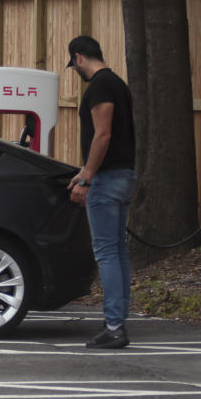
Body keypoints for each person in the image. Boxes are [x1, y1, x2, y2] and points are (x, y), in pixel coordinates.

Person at [66, 35, 137, 349]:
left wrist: (87, 178)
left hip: (107, 180)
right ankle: (119, 320)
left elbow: (103, 135)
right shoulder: (119, 83)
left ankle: (113, 326)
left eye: (74, 64)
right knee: (118, 251)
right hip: (123, 175)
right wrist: (83, 171)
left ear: (79, 57)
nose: (76, 70)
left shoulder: (99, 87)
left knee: (106, 253)